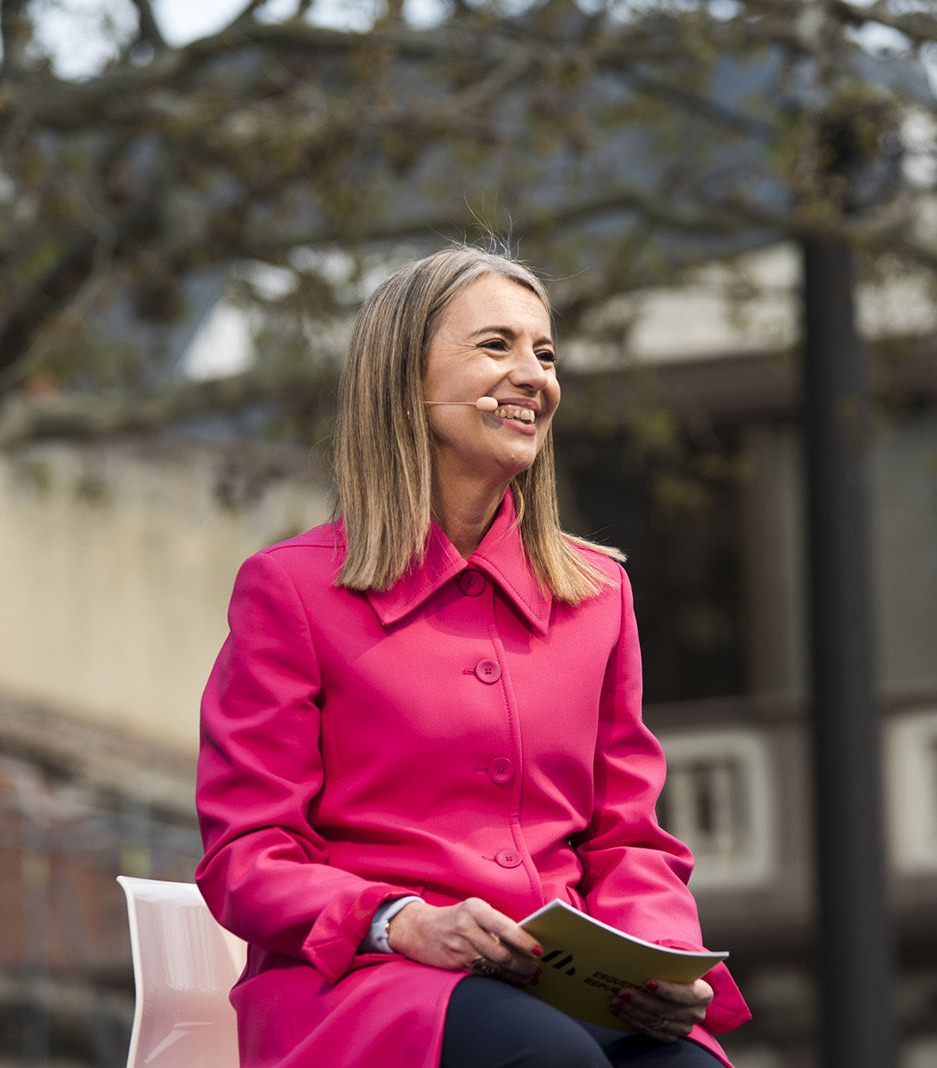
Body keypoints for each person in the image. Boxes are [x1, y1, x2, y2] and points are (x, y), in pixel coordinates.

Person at [195, 246, 751, 1068]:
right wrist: (404, 920)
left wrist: (659, 952)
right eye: (497, 346)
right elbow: (247, 854)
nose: (534, 375)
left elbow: (628, 839)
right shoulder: (291, 589)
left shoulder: (599, 596)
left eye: (546, 353)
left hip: (557, 984)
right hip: (361, 984)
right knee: (547, 1059)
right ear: (404, 382)